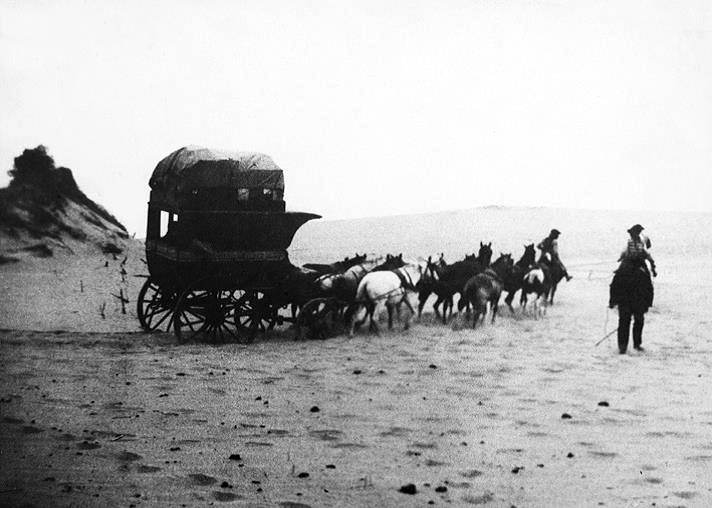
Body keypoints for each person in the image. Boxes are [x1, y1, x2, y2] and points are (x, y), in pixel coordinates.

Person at [609, 224, 656, 354]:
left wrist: (652, 264)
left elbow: (646, 256)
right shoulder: (630, 244)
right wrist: (652, 265)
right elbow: (646, 256)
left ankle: (633, 345)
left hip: (631, 267)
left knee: (631, 320)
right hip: (633, 273)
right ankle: (626, 346)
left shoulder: (639, 243)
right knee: (632, 319)